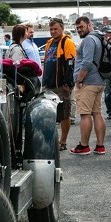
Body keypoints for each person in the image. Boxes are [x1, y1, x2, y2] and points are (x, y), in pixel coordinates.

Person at [70, 16, 107, 155]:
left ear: (89, 25)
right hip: (99, 81)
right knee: (97, 113)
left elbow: (87, 62)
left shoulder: (89, 40)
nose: (79, 30)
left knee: (85, 115)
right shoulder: (98, 37)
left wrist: (79, 80)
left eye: (82, 27)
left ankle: (84, 146)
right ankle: (100, 146)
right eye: (77, 28)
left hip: (87, 83)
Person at [43, 18, 76, 150]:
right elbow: (46, 62)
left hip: (62, 85)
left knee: (64, 114)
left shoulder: (67, 42)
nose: (53, 31)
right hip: (48, 85)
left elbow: (71, 63)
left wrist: (67, 82)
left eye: (55, 29)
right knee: (49, 114)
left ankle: (63, 142)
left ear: (62, 28)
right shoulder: (49, 43)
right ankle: (51, 140)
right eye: (51, 29)